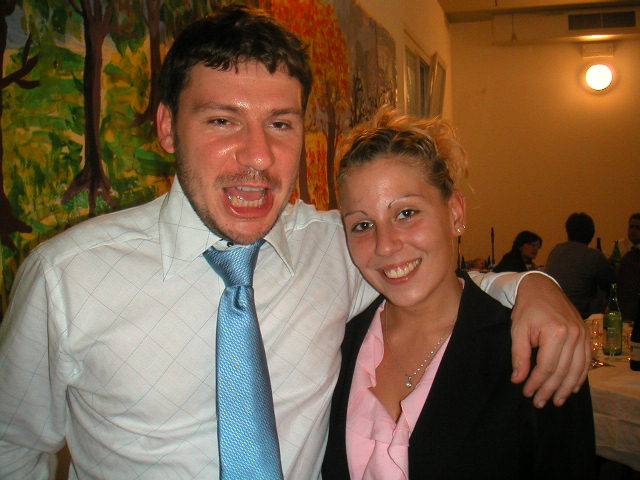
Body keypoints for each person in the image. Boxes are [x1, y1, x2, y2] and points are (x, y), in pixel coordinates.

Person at [0, 5, 588, 479]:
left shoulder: (335, 245)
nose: (258, 157)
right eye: (222, 120)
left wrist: (534, 287)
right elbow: (12, 449)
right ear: (166, 127)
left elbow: (424, 272)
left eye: (280, 123)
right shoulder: (65, 279)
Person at [322, 109, 595, 479]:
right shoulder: (336, 344)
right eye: (363, 225)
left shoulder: (536, 351)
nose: (385, 245)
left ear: (455, 212)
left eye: (406, 213)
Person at [545, 212, 616, 318]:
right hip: (580, 316)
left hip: (552, 313)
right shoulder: (593, 256)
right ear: (591, 234)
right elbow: (612, 284)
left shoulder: (556, 251)